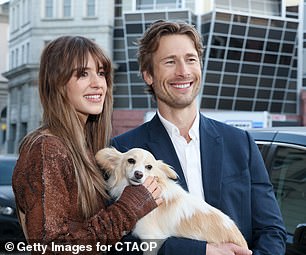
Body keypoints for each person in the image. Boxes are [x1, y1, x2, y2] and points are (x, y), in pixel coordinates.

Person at [111, 20, 287, 255]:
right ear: (148, 75)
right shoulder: (125, 151)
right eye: (170, 61)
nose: (183, 71)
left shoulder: (240, 144)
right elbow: (118, 245)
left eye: (191, 59)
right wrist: (200, 251)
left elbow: (272, 230)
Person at [12, 35, 162, 254]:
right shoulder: (47, 149)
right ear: (57, 83)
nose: (98, 83)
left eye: (101, 73)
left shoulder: (84, 148)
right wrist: (129, 208)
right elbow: (51, 248)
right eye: (83, 74)